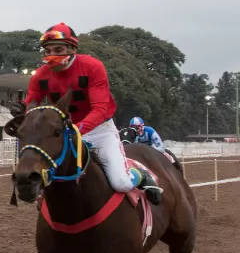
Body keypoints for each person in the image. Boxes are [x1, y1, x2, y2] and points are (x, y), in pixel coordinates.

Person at [25, 23, 163, 203]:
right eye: (47, 50)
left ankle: (141, 175)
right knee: (45, 181)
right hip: (66, 133)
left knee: (120, 182)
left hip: (99, 131)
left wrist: (78, 129)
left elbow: (100, 108)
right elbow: (31, 102)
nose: (51, 56)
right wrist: (22, 109)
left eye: (58, 49)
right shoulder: (40, 75)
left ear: (73, 48)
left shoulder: (93, 66)